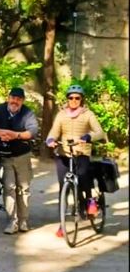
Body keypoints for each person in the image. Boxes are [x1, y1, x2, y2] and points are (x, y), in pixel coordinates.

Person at [44, 84, 107, 237]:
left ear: (81, 99)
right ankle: (62, 224)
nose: (74, 100)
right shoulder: (61, 115)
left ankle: (90, 201)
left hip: (81, 152)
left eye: (77, 98)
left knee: (84, 174)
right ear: (67, 99)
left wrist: (88, 137)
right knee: (63, 189)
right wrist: (51, 140)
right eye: (71, 98)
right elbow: (54, 131)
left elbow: (99, 132)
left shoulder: (88, 114)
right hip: (64, 153)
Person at [0, 87, 39, 234]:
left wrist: (15, 135)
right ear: (8, 98)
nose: (15, 101)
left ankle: (23, 220)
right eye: (13, 98)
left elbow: (32, 132)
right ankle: (12, 221)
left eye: (19, 99)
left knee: (23, 189)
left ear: (22, 101)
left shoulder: (27, 113)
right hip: (4, 155)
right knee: (9, 188)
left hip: (21, 156)